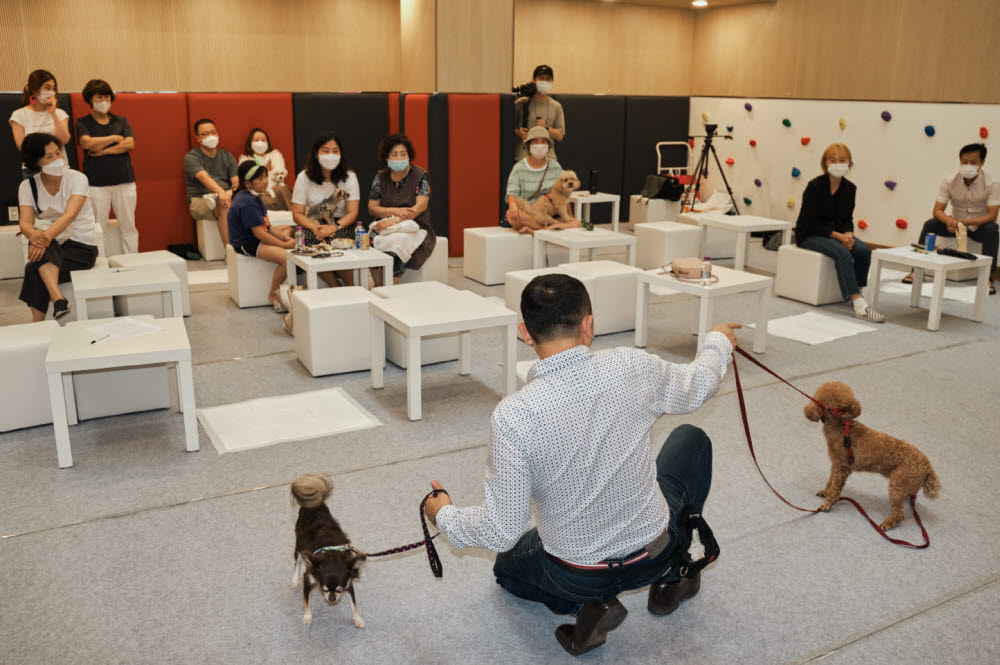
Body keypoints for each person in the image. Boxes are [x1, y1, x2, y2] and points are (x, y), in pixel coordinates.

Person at [422, 273, 740, 657]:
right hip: (655, 549)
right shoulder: (632, 366)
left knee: (506, 569)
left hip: (577, 574)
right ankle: (674, 577)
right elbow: (700, 383)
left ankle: (592, 605)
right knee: (691, 439)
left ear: (526, 332)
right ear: (588, 324)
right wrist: (718, 340)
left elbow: (501, 530)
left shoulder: (514, 416)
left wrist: (444, 515)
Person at [794, 143, 885, 322]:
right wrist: (838, 237)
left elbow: (846, 218)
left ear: (849, 163)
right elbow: (809, 222)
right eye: (833, 160)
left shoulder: (850, 188)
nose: (838, 164)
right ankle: (859, 304)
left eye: (842, 160)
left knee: (863, 250)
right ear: (825, 163)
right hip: (809, 234)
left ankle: (857, 291)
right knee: (842, 253)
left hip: (836, 233)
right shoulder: (814, 186)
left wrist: (849, 234)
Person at [17, 133, 99, 321]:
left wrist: (40, 240)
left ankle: (39, 322)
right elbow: (25, 223)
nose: (57, 159)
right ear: (37, 161)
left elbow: (69, 216)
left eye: (57, 153)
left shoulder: (78, 178)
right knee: (37, 261)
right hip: (53, 246)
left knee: (34, 265)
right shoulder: (28, 186)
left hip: (81, 248)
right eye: (49, 156)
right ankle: (58, 301)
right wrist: (33, 235)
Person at [904, 143, 999, 295]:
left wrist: (966, 223)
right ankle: (916, 270)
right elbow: (937, 210)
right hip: (954, 225)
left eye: (973, 162)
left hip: (977, 227)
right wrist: (949, 221)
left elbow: (992, 216)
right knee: (930, 224)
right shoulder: (949, 180)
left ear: (982, 163)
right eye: (965, 161)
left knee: (992, 229)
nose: (968, 165)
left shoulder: (992, 183)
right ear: (960, 161)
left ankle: (988, 277)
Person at [290, 131, 362, 286]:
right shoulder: (304, 177)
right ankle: (334, 285)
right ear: (316, 154)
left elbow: (352, 212)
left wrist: (333, 227)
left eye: (335, 151)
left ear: (341, 154)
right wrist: (315, 228)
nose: (331, 155)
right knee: (311, 242)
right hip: (312, 223)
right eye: (325, 150)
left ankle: (350, 288)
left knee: (338, 242)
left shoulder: (349, 177)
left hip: (340, 224)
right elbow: (297, 213)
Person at [76, 79, 138, 254]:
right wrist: (115, 138)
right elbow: (87, 143)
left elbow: (130, 144)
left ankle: (132, 260)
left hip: (124, 181)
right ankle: (99, 262)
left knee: (128, 226)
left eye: (107, 97)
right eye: (99, 97)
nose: (104, 101)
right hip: (96, 184)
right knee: (98, 227)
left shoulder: (121, 120)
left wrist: (104, 151)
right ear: (90, 99)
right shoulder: (83, 122)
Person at [227, 159, 295, 312]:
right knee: (286, 258)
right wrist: (284, 245)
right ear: (248, 183)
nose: (265, 182)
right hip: (246, 243)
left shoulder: (255, 196)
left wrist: (284, 238)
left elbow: (267, 226)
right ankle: (273, 294)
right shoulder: (247, 202)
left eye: (265, 177)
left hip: (256, 235)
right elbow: (260, 233)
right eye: (260, 179)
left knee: (287, 229)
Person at [367, 133, 435, 286]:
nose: (399, 158)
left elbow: (421, 206)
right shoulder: (380, 177)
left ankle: (393, 285)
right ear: (386, 157)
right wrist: (393, 211)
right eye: (394, 154)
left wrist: (397, 219)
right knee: (369, 240)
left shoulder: (420, 175)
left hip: (415, 226)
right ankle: (379, 286)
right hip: (384, 224)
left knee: (396, 243)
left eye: (403, 154)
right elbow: (372, 208)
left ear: (409, 155)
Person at [504, 126, 581, 233]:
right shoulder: (519, 168)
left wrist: (569, 217)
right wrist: (513, 207)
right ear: (529, 145)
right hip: (529, 214)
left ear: (548, 146)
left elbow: (564, 195)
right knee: (510, 215)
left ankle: (536, 231)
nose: (539, 145)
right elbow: (512, 193)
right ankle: (549, 230)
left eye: (543, 142)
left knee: (577, 223)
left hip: (552, 215)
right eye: (535, 142)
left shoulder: (555, 166)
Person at [184, 118, 238, 247]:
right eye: (205, 134)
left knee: (240, 201)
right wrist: (221, 193)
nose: (211, 136)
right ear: (198, 138)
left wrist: (229, 193)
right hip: (200, 200)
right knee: (224, 204)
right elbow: (204, 178)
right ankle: (230, 252)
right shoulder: (191, 157)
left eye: (213, 132)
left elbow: (236, 181)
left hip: (227, 195)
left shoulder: (227, 156)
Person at [9, 70, 72, 176]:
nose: (51, 92)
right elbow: (22, 147)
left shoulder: (60, 114)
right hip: (33, 170)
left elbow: (64, 139)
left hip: (60, 167)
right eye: (47, 88)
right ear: (34, 90)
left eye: (53, 88)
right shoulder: (19, 115)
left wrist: (53, 114)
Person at [513, 64, 565, 162]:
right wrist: (518, 133)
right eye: (541, 78)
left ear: (552, 82)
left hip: (548, 159)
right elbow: (506, 128)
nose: (544, 82)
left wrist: (546, 128)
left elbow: (560, 136)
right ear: (533, 80)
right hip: (523, 158)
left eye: (548, 79)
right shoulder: (522, 103)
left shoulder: (556, 106)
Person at [238, 128, 293, 211]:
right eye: (256, 140)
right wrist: (270, 172)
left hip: (276, 190)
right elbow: (246, 180)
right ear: (250, 143)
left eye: (263, 140)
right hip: (256, 193)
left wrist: (259, 176)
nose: (260, 143)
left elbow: (279, 173)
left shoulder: (275, 155)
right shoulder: (245, 160)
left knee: (281, 189)